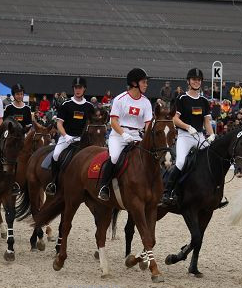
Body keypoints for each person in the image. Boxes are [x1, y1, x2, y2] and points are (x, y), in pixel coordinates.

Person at [161, 68, 215, 206]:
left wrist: (212, 134)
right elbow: (175, 119)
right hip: (185, 136)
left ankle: (214, 191)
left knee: (212, 159)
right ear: (188, 81)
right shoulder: (182, 98)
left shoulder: (204, 100)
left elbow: (207, 122)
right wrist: (187, 127)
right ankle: (167, 192)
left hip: (199, 136)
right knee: (179, 162)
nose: (196, 82)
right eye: (194, 79)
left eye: (198, 80)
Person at [97, 68, 152, 201]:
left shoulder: (146, 102)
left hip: (137, 136)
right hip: (119, 135)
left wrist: (148, 138)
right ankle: (103, 186)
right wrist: (124, 134)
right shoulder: (120, 99)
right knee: (115, 157)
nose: (146, 84)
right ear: (134, 83)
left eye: (146, 82)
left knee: (150, 157)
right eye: (144, 82)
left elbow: (148, 124)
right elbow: (113, 121)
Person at [45, 77, 95, 196]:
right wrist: (66, 136)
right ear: (73, 89)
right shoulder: (66, 104)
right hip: (66, 137)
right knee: (56, 155)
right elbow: (59, 124)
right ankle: (54, 182)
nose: (78, 90)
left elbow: (92, 124)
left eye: (80, 88)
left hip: (82, 139)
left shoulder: (89, 106)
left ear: (84, 89)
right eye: (76, 88)